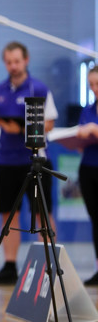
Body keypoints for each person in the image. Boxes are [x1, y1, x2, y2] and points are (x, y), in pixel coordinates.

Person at [0, 41, 58, 285]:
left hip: (35, 160)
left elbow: (49, 125)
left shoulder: (40, 89)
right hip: (6, 161)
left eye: (17, 61)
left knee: (42, 215)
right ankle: (10, 266)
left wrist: (22, 128)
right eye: (9, 62)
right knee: (7, 214)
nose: (13, 66)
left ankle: (49, 266)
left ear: (26, 60)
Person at [76, 65, 98, 286]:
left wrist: (93, 129)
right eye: (91, 85)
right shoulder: (88, 109)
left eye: (97, 84)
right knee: (95, 220)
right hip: (88, 168)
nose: (94, 89)